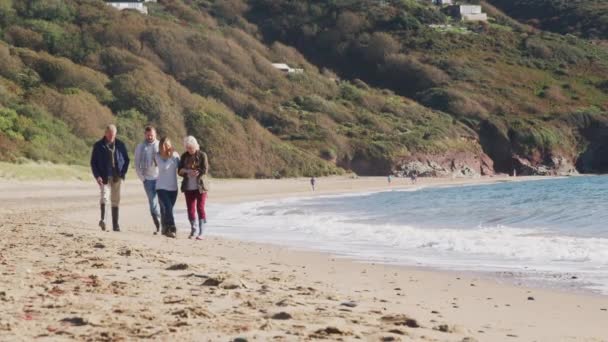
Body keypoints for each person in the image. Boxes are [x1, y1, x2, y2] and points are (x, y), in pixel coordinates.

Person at [90, 124, 130, 232]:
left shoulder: (120, 145)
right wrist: (97, 176)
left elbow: (127, 160)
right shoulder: (98, 145)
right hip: (104, 177)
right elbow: (93, 163)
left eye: (113, 134)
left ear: (116, 134)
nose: (112, 136)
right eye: (110, 134)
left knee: (115, 200)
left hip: (117, 176)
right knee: (104, 197)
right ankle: (103, 220)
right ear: (105, 133)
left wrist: (123, 174)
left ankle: (115, 225)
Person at [178, 136, 209, 240]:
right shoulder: (184, 156)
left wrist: (198, 171)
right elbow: (180, 171)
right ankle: (193, 230)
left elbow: (205, 169)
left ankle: (202, 232)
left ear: (196, 146)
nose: (189, 150)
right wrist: (187, 172)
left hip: (200, 186)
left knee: (200, 208)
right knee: (190, 209)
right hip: (188, 187)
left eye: (191, 147)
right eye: (187, 148)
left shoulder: (202, 155)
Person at [134, 126, 161, 234]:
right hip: (148, 179)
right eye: (148, 135)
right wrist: (143, 178)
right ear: (145, 135)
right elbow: (136, 163)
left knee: (163, 203)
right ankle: (158, 226)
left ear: (155, 134)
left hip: (160, 178)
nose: (150, 137)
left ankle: (166, 225)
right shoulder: (140, 147)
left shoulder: (160, 145)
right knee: (153, 203)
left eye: (152, 135)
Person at [155, 137, 180, 238]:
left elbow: (180, 168)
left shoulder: (175, 155)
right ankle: (172, 228)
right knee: (168, 208)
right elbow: (164, 168)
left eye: (168, 145)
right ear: (160, 146)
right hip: (161, 187)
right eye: (163, 145)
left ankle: (165, 228)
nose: (166, 147)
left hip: (173, 188)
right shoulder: (157, 156)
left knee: (167, 210)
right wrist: (170, 157)